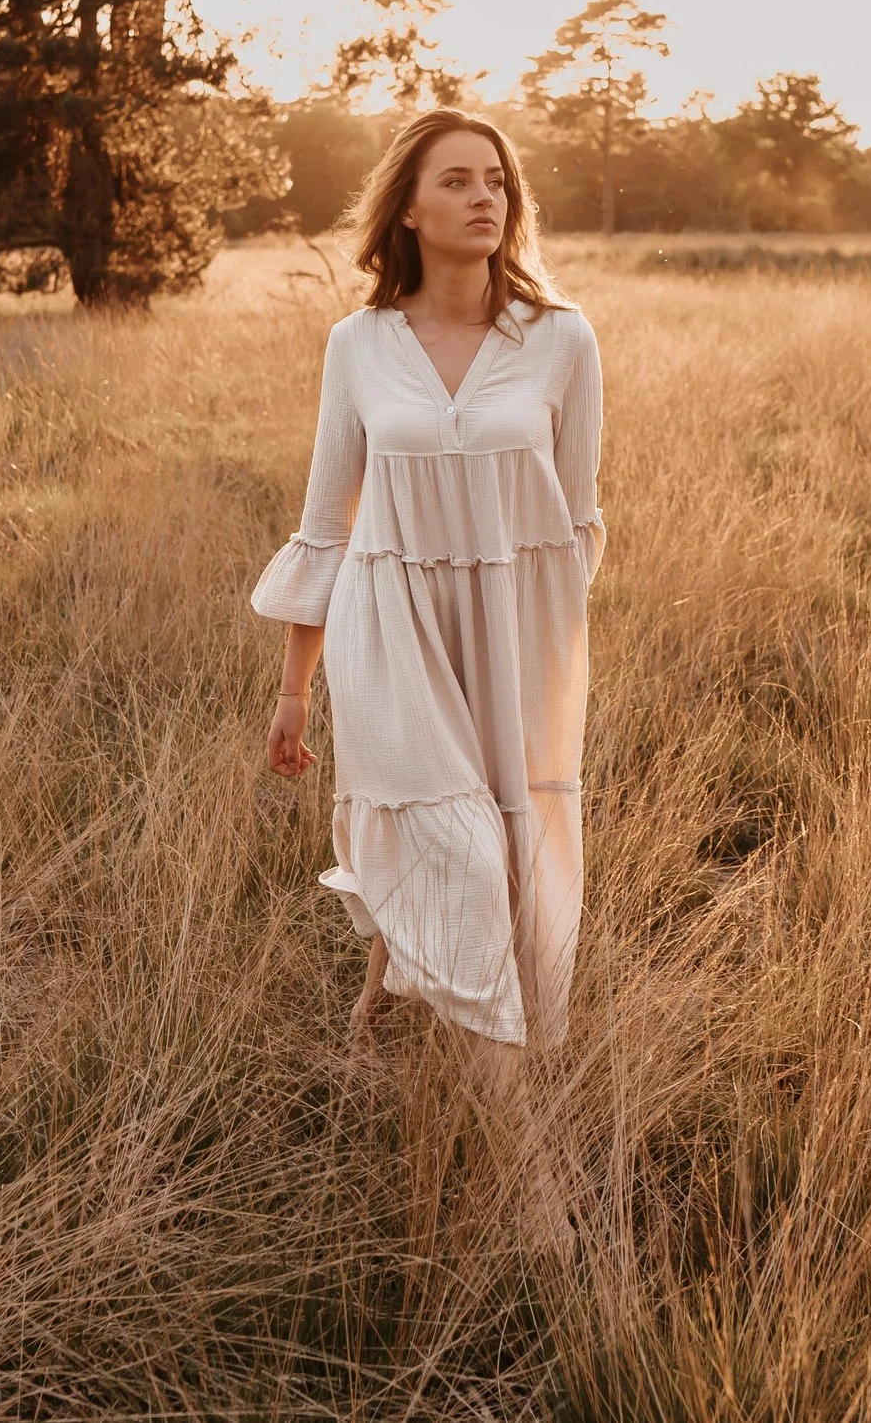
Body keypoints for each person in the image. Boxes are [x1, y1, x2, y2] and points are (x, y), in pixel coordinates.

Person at [253, 108, 605, 1085]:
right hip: (387, 629)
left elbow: (575, 525)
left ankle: (370, 1021)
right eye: (456, 180)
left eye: (495, 180)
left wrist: (535, 652)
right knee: (454, 851)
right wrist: (295, 690)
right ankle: (522, 1172)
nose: (483, 196)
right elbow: (326, 525)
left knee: (500, 839)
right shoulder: (358, 344)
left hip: (512, 634)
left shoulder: (562, 340)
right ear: (407, 208)